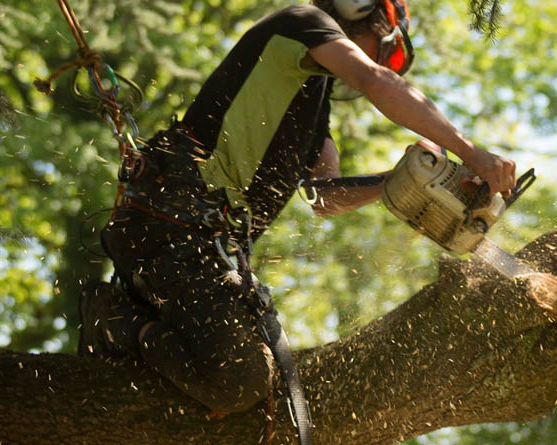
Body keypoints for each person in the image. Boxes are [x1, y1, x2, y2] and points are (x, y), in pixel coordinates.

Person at [78, 0, 517, 418]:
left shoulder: (316, 97)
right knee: (238, 381)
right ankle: (112, 316)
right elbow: (377, 82)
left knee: (238, 390)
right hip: (172, 226)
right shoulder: (300, 24)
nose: (377, 62)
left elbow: (322, 197)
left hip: (207, 250)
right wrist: (469, 151)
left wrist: (397, 181)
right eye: (380, 48)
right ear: (358, 12)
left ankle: (135, 330)